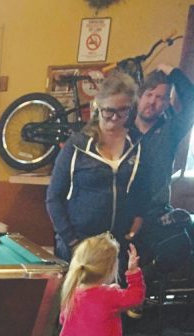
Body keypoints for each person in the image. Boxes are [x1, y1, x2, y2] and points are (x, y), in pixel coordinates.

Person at [46, 72, 150, 268]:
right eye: (109, 110)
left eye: (123, 110)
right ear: (98, 106)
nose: (115, 117)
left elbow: (143, 190)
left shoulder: (137, 144)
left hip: (116, 244)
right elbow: (53, 197)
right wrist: (72, 241)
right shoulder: (77, 145)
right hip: (79, 243)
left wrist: (135, 226)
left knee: (115, 288)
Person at [130, 65, 194, 336]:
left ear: (167, 103)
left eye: (161, 97)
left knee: (180, 245)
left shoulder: (169, 130)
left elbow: (190, 102)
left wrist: (175, 73)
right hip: (124, 212)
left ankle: (139, 291)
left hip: (155, 212)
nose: (153, 102)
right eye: (150, 95)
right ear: (140, 96)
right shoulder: (123, 129)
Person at [57, 233, 145, 336]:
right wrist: (133, 272)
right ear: (111, 268)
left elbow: (63, 320)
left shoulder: (72, 291)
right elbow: (136, 297)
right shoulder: (110, 296)